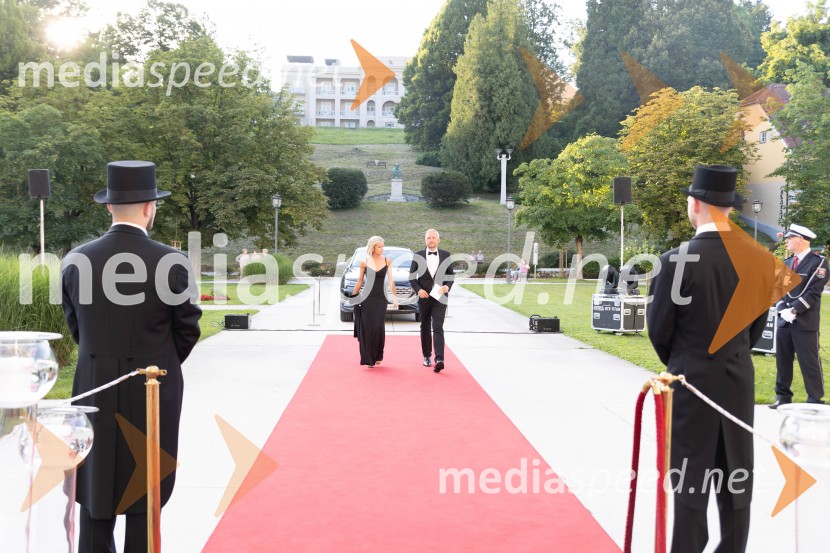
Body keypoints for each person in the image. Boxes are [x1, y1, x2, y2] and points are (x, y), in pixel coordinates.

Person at [61, 161, 202, 553]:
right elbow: (188, 328)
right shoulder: (170, 261)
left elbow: (77, 327)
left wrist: (102, 359)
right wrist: (158, 362)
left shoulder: (76, 259)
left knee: (95, 493)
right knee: (146, 489)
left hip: (93, 385)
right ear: (149, 207)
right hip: (152, 388)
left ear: (109, 206)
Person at [646, 164, 766, 553]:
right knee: (737, 474)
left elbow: (659, 329)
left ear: (695, 204)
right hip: (737, 376)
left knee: (689, 478)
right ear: (729, 207)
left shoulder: (675, 259)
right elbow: (755, 332)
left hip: (690, 377)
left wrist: (686, 359)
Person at [770, 223, 828, 408]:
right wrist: (781, 309)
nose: (786, 241)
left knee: (809, 361)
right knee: (783, 360)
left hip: (804, 319)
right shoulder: (787, 263)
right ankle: (783, 396)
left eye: (789, 238)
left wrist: (793, 310)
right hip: (784, 319)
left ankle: (815, 398)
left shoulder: (818, 262)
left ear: (800, 239)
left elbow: (813, 292)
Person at [410, 229, 454, 372]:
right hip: (424, 297)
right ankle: (427, 356)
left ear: (438, 240)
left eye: (434, 238)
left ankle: (439, 358)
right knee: (425, 326)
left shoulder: (446, 255)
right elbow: (412, 277)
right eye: (429, 238)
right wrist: (418, 290)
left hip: (440, 296)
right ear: (425, 240)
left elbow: (450, 276)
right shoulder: (417, 255)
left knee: (437, 326)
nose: (431, 240)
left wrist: (447, 287)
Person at [351, 236, 398, 367]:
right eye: (379, 246)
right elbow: (360, 281)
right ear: (372, 247)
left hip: (381, 298)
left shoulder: (387, 261)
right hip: (367, 297)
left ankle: (378, 355)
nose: (382, 249)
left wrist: (394, 298)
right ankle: (368, 358)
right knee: (367, 327)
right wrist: (354, 297)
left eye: (383, 246)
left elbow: (391, 281)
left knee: (378, 327)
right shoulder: (364, 261)